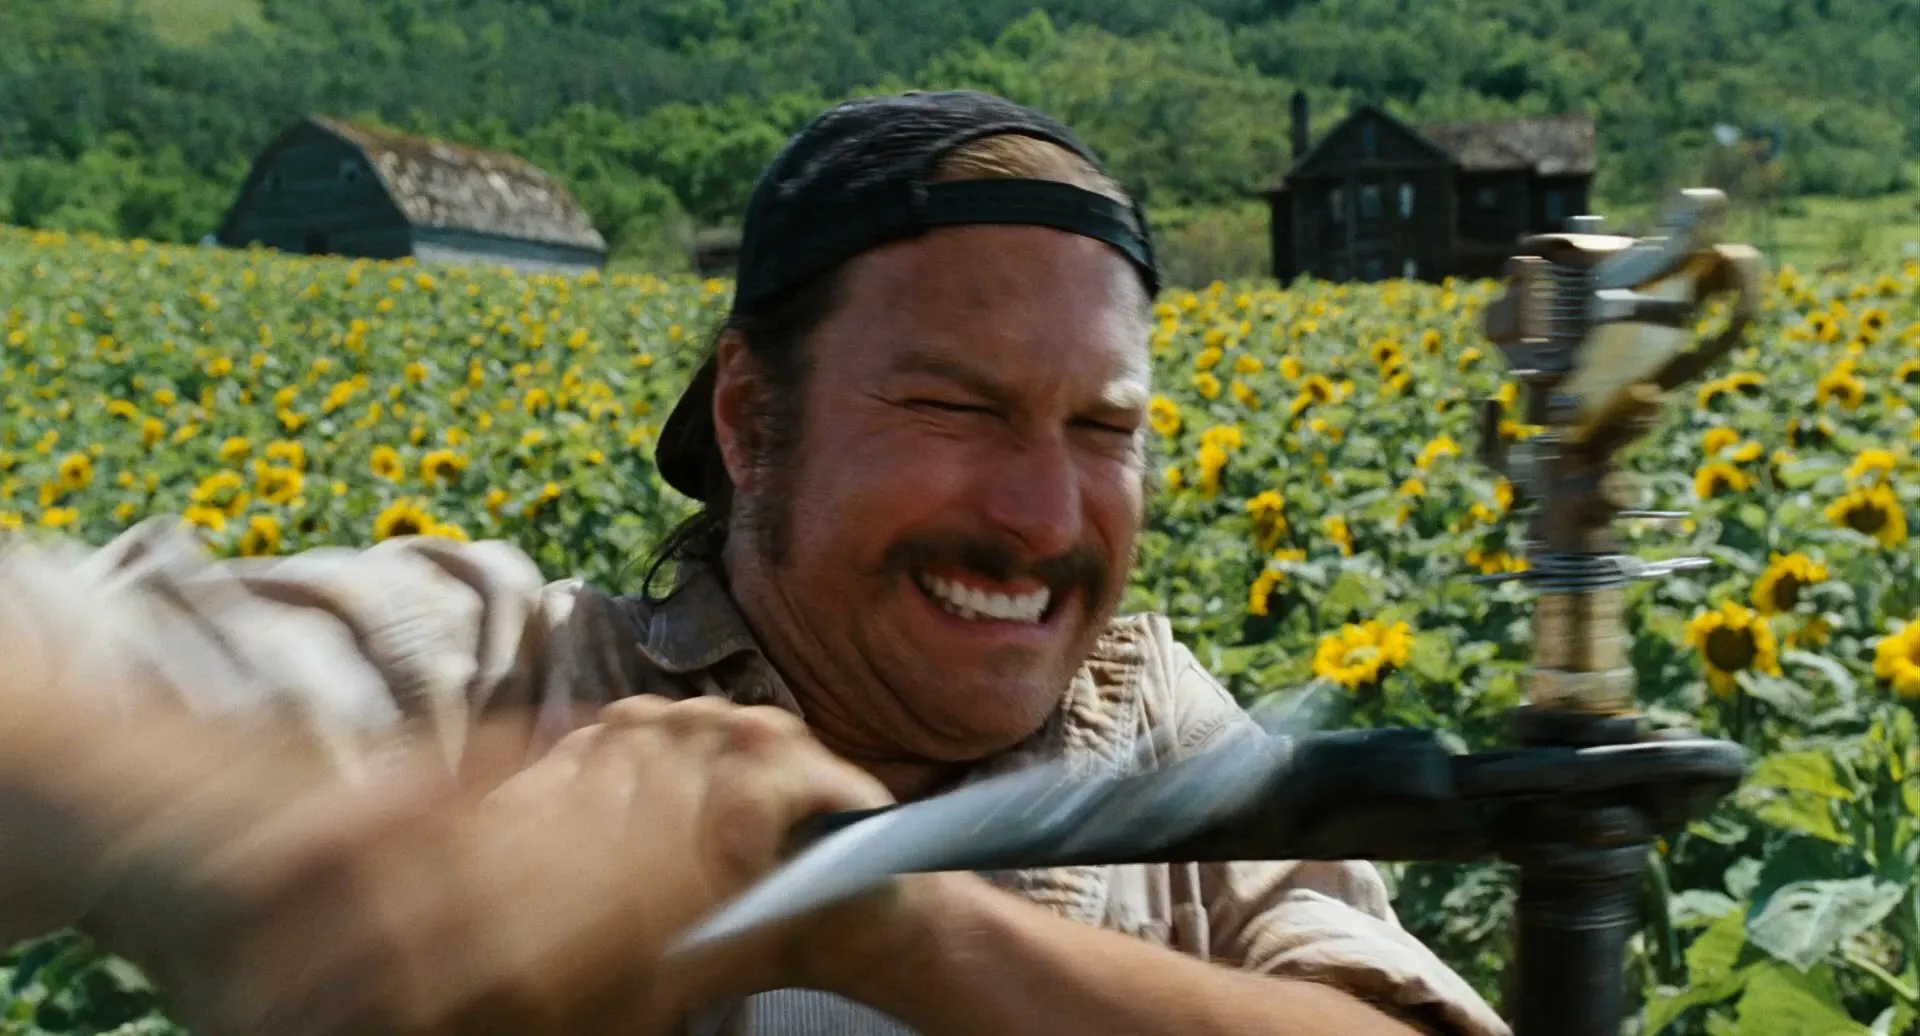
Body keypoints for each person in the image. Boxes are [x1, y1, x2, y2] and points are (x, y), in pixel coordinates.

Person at [0, 90, 1510, 1036]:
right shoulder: (501, 676)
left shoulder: (1168, 740)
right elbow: (68, 660)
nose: (1044, 515)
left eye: (1103, 428)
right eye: (953, 407)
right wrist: (242, 830)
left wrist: (875, 915)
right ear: (748, 415)